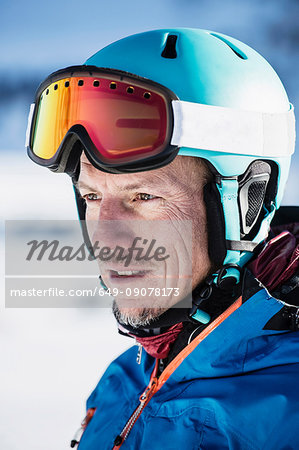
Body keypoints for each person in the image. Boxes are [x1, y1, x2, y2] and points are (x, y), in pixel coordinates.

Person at [26, 28, 299, 449]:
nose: (107, 236)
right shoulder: (130, 374)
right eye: (93, 196)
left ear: (249, 201)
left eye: (145, 196)